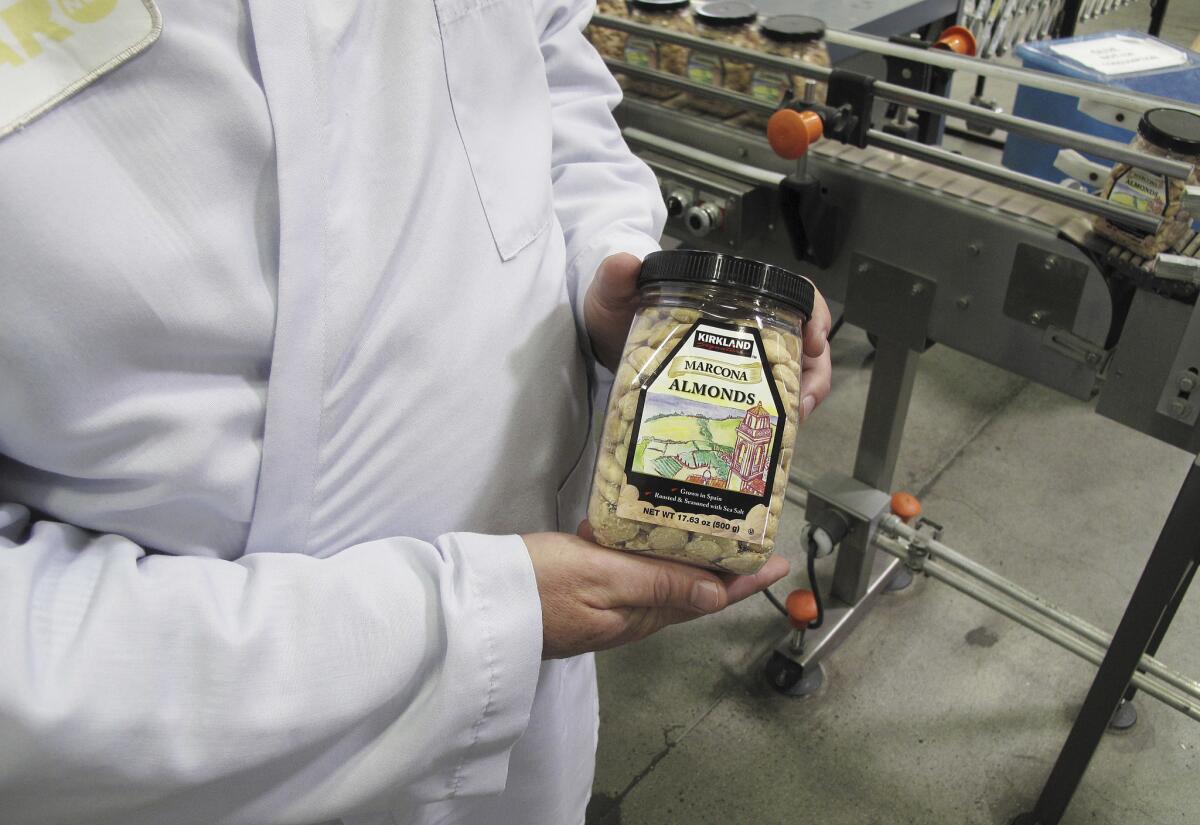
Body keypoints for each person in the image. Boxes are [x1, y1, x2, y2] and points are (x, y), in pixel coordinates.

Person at [0, 1, 832, 823]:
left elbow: (546, 63)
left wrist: (620, 278)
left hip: (534, 697)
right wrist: (466, 626)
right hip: (202, 752)